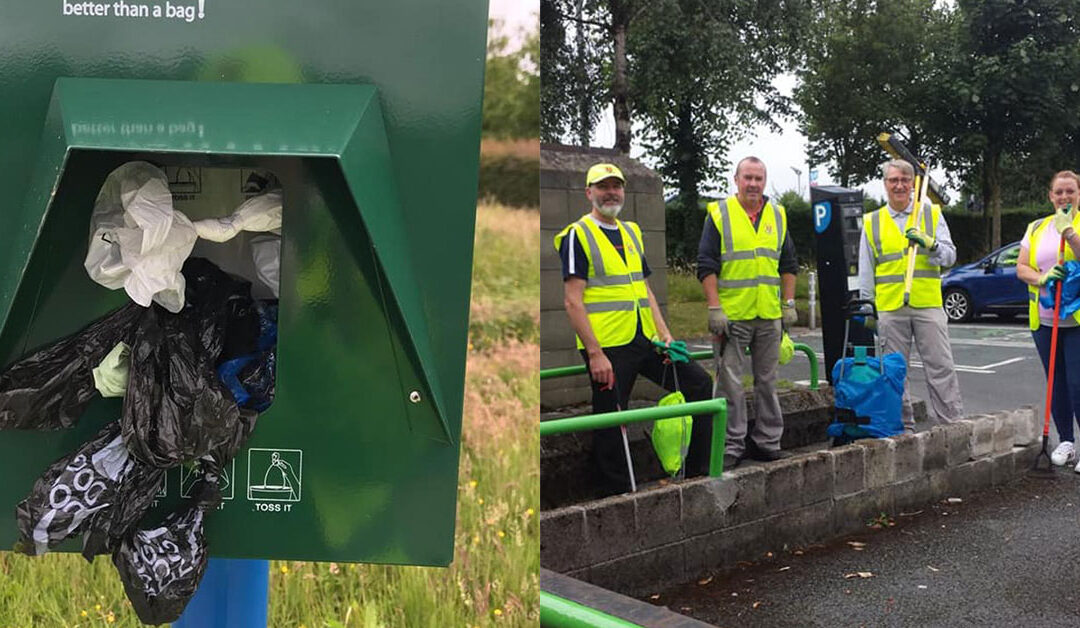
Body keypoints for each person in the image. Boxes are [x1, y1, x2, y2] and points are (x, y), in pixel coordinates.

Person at [555, 163, 714, 495]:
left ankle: (699, 471)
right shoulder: (578, 235)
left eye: (616, 186)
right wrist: (595, 354)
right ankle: (616, 495)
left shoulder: (631, 232)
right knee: (611, 418)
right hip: (609, 346)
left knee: (699, 383)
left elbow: (644, 289)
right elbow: (573, 301)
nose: (611, 192)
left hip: (645, 338)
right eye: (603, 186)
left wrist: (665, 334)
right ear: (589, 193)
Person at [697, 156, 798, 470]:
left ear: (765, 182)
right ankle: (731, 446)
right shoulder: (719, 214)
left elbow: (789, 265)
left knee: (768, 381)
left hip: (768, 315)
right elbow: (706, 264)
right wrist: (714, 308)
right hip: (732, 316)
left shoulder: (778, 215)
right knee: (730, 385)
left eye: (758, 178)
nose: (753, 184)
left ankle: (768, 442)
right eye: (748, 178)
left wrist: (789, 304)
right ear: (736, 180)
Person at [857, 159, 963, 431]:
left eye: (905, 180)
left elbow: (950, 257)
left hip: (927, 304)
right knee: (894, 374)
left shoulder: (931, 214)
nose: (900, 185)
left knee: (941, 367)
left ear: (914, 184)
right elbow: (866, 269)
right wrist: (868, 308)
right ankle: (902, 428)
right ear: (885, 184)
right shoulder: (872, 222)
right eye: (894, 180)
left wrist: (931, 245)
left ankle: (951, 426)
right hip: (890, 308)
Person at [1016, 170, 1080, 470]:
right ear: (1050, 196)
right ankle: (1066, 441)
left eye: (1070, 191)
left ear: (1078, 194)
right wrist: (1042, 277)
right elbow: (1021, 268)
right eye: (1059, 192)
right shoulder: (1036, 227)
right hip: (1044, 321)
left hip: (1077, 320)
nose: (1064, 197)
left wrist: (1069, 233)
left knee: (1078, 383)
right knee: (1056, 384)